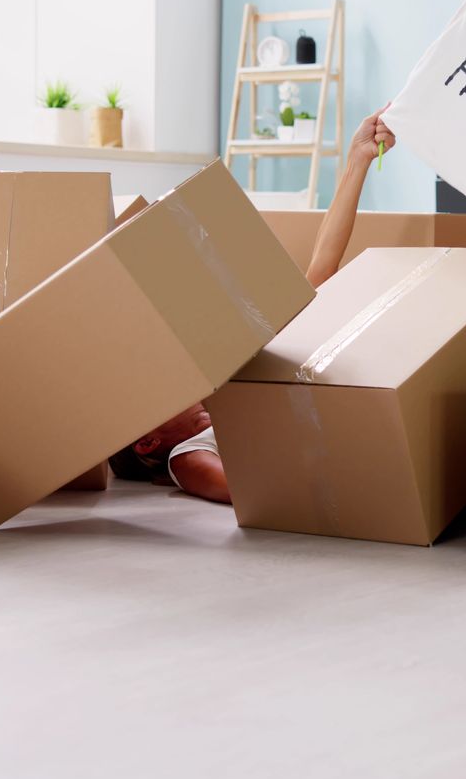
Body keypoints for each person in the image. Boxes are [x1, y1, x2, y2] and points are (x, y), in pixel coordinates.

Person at [112, 106, 397, 504]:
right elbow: (256, 490)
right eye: (153, 397)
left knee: (314, 284)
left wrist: (358, 158)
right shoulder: (187, 455)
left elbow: (321, 269)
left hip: (342, 387)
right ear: (148, 443)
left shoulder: (234, 377)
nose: (167, 382)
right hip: (356, 426)